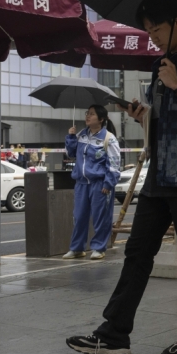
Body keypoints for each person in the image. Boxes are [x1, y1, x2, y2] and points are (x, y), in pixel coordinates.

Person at [66, 0, 177, 354]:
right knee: (137, 253)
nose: (152, 35)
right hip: (160, 174)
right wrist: (144, 116)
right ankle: (114, 334)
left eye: (156, 28)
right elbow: (168, 120)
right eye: (147, 30)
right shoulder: (161, 64)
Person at [62, 105, 120, 261]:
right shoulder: (81, 135)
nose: (88, 116)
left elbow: (114, 164)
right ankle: (77, 248)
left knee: (100, 217)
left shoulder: (109, 138)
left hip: (100, 184)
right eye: (87, 113)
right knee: (79, 216)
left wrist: (108, 184)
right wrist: (71, 138)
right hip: (81, 184)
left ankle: (99, 248)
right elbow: (71, 154)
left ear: (101, 119)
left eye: (92, 114)